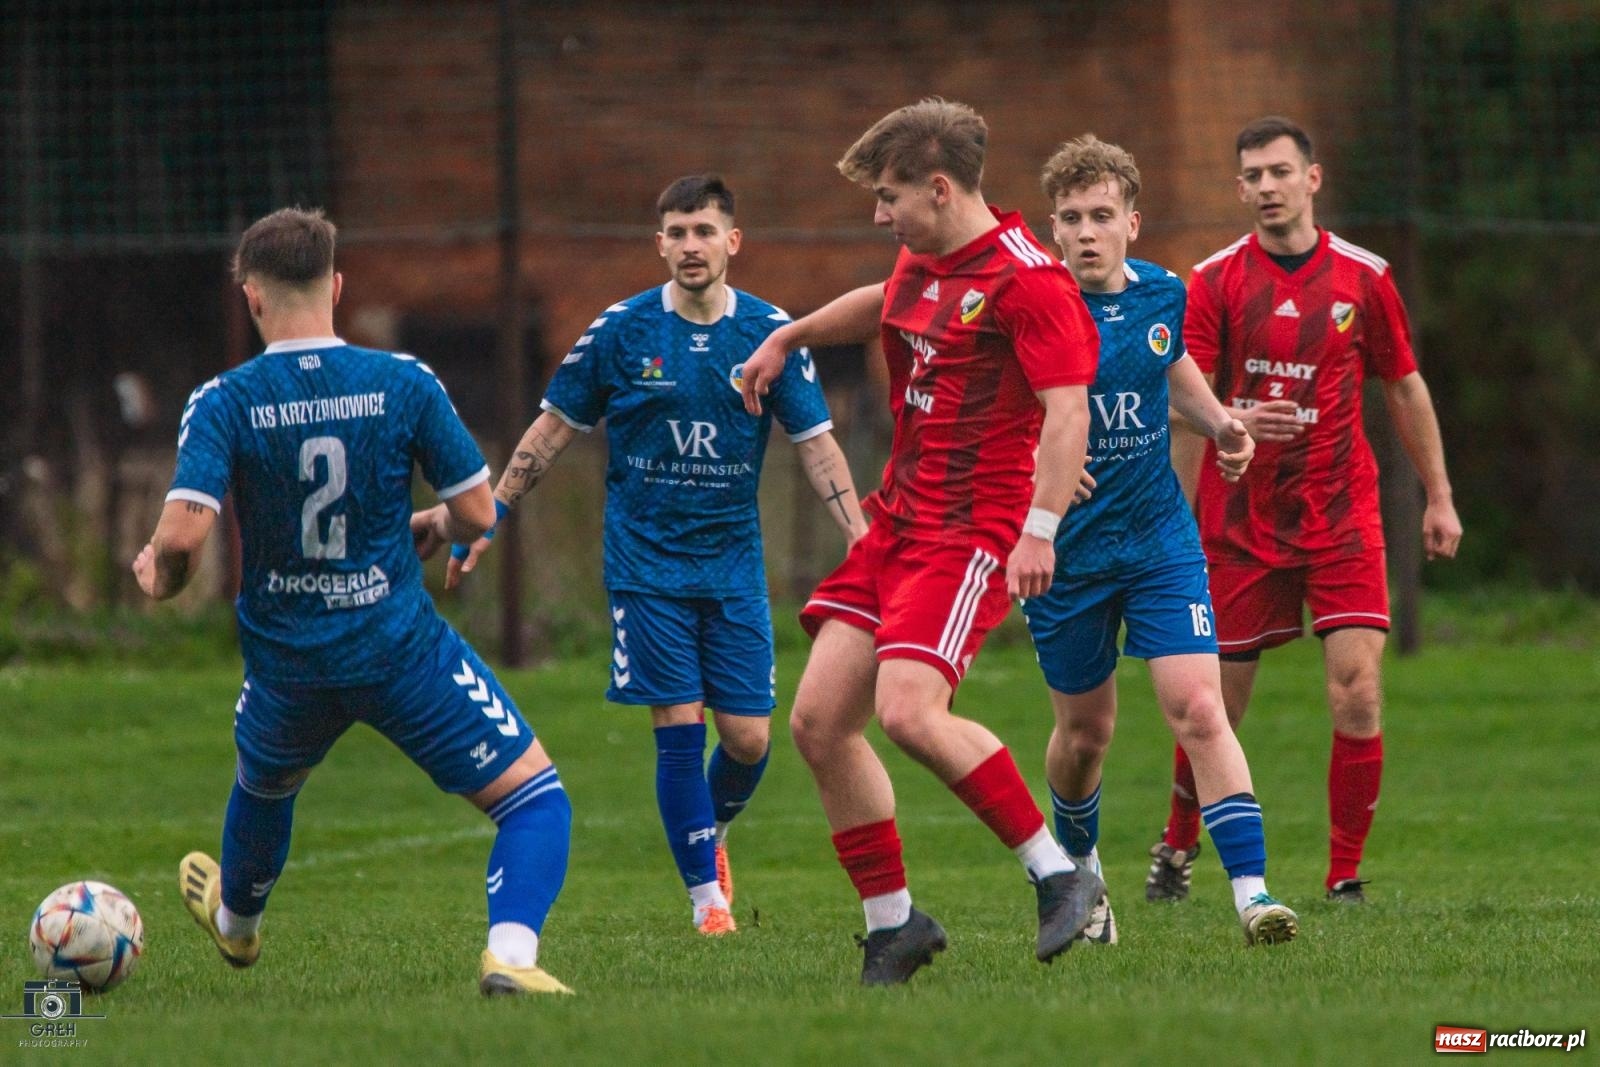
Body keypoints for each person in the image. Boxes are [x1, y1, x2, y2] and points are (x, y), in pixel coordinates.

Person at [136, 207, 573, 997]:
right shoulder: (403, 381)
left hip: (288, 664)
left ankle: (236, 927)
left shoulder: (224, 399)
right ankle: (510, 956)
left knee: (265, 787)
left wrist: (156, 578)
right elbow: (477, 514)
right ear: (336, 286)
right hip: (399, 648)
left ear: (252, 297)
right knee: (535, 800)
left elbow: (181, 540)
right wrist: (438, 519)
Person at [738, 98, 1105, 986]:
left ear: (940, 189)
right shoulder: (930, 255)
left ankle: (1062, 878)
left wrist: (1039, 528)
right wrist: (789, 333)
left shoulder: (1031, 281)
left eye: (890, 195)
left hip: (969, 533)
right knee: (821, 723)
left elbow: (1067, 414)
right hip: (898, 520)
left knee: (906, 711)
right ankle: (894, 925)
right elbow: (884, 303)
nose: (879, 213)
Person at [441, 174, 866, 936]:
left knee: (748, 738)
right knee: (679, 720)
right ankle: (708, 901)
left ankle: (715, 830)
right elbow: (550, 431)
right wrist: (492, 512)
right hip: (645, 566)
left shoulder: (770, 335)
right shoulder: (620, 332)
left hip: (733, 564)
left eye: (704, 230)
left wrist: (863, 541)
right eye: (676, 232)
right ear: (659, 243)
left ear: (733, 241)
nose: (690, 245)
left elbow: (819, 448)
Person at [1154, 116, 1463, 903]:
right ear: (1240, 188)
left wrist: (1440, 495)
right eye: (1252, 175)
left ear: (1312, 179)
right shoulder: (1216, 279)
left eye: (1279, 171)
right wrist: (1230, 421)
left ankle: (1343, 874)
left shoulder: (1365, 278)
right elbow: (1180, 393)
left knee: (1356, 688)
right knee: (1213, 703)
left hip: (1341, 513)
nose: (1266, 187)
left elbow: (1403, 384)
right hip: (1240, 518)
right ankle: (1178, 845)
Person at [1023, 134, 1297, 947]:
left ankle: (1254, 894)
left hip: (1157, 540)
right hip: (1067, 557)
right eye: (1070, 218)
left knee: (1200, 708)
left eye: (1101, 215)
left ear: (1132, 222)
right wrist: (1034, 472)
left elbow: (1170, 366)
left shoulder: (1160, 295)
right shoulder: (1028, 308)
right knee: (1085, 735)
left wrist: (1222, 423)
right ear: (1053, 227)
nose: (1085, 232)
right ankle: (1083, 877)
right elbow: (992, 412)